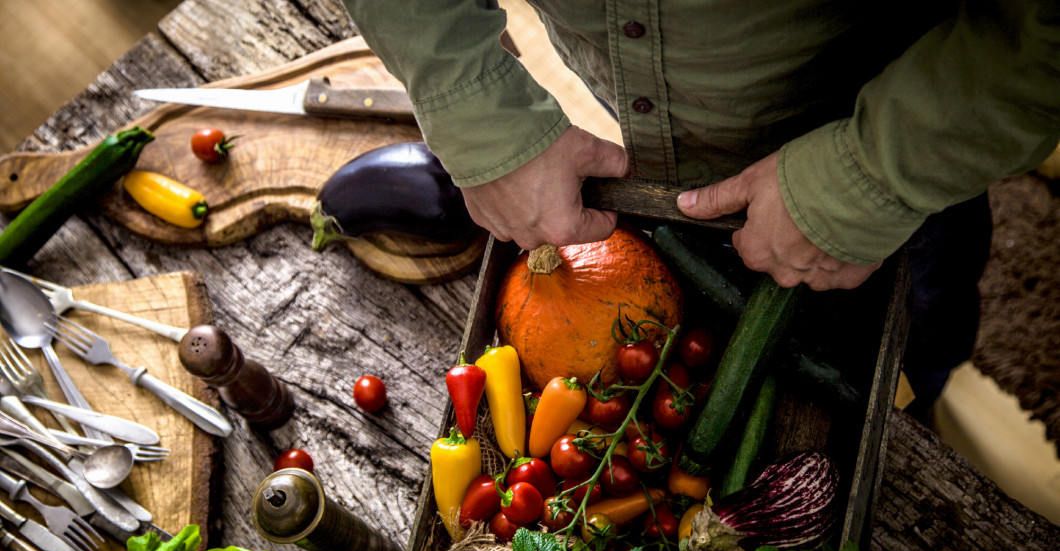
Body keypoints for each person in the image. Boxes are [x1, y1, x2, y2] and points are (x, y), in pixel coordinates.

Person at [342, 0, 1060, 413]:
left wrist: (872, 179)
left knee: (923, 324)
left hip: (893, 133)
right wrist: (474, 105)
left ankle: (922, 404)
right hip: (636, 110)